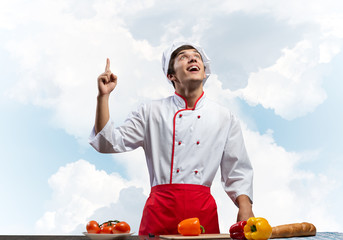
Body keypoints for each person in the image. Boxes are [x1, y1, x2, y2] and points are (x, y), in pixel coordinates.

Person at [89, 42, 254, 235]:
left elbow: (237, 169)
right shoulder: (150, 111)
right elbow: (107, 142)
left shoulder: (224, 117)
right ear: (171, 76)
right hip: (160, 211)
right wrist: (103, 97)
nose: (193, 58)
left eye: (197, 56)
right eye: (183, 56)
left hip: (202, 212)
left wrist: (245, 208)